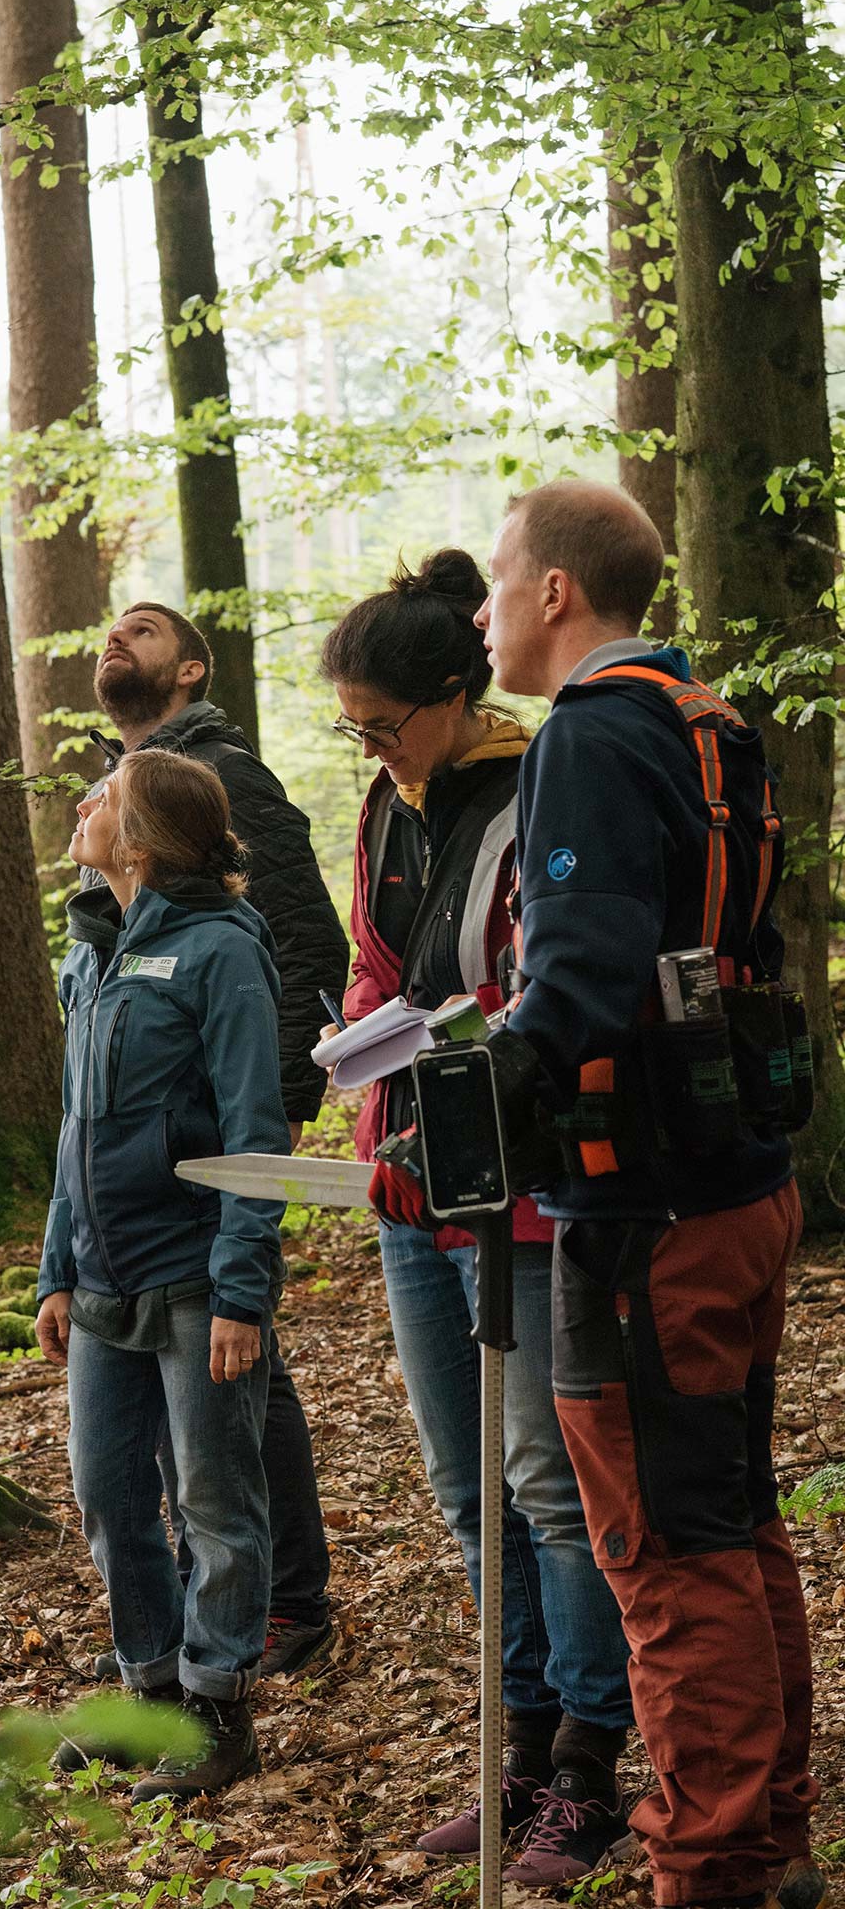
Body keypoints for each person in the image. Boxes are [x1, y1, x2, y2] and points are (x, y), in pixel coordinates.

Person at [438, 477, 817, 1909]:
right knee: (728, 1520)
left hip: (648, 1207)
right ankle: (765, 1839)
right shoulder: (707, 718)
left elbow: (584, 981)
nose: (476, 612)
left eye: (496, 580)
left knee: (666, 1552)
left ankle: (711, 1864)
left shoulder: (593, 736)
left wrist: (469, 1096)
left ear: (554, 594)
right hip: (734, 1176)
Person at [320, 552, 636, 1885]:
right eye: (358, 736)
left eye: (387, 729)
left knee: (543, 1487)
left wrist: (439, 1113)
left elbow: (524, 998)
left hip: (519, 1188)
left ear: (453, 695)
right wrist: (372, 1112)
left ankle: (585, 1769)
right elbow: (377, 971)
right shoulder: (388, 814)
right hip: (408, 1187)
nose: (378, 755)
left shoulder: (535, 786)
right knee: (466, 1490)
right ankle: (511, 1751)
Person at [82, 602, 349, 1676]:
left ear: (189, 669)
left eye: (141, 631)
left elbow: (301, 936)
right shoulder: (130, 791)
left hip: (226, 1128)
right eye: (109, 629)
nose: (115, 639)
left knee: (239, 1369)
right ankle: (219, 1612)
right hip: (141, 1173)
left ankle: (283, 1601)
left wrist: (277, 1111)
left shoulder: (224, 774)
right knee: (220, 1382)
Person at [36, 746, 289, 1799]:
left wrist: (242, 1286)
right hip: (100, 1278)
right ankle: (143, 1696)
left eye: (104, 795)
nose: (83, 805)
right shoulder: (91, 953)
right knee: (105, 1495)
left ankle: (217, 1710)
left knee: (212, 1496)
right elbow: (74, 1129)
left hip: (192, 1275)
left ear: (139, 839)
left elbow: (254, 1127)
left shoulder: (220, 951)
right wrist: (54, 1267)